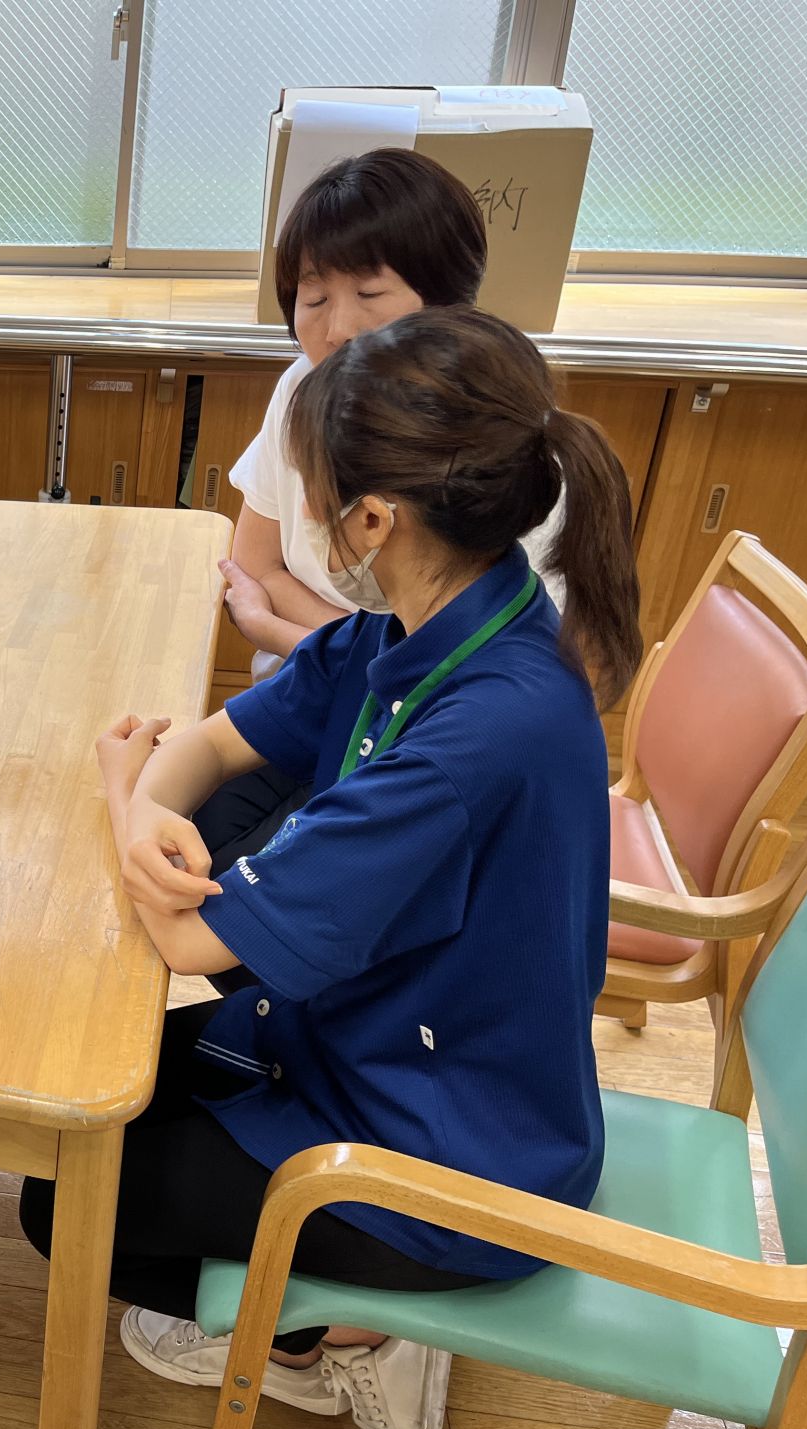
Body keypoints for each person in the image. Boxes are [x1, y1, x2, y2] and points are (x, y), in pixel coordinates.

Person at [21, 306, 641, 1429]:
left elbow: (189, 939)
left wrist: (122, 792)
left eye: (308, 487)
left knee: (64, 1204)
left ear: (372, 517)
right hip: (378, 1045)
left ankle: (335, 1342)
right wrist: (152, 799)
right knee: (79, 1104)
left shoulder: (476, 737)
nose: (297, 513)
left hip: (458, 1159)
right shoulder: (422, 627)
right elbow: (214, 747)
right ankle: (339, 1315)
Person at [198, 148, 567, 904]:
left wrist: (277, 630)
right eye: (312, 296)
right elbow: (256, 566)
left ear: (447, 301)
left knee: (223, 897)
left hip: (403, 748)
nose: (337, 329)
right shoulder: (302, 391)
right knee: (189, 830)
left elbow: (444, 678)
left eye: (370, 292)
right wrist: (326, 651)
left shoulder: (487, 453)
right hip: (307, 709)